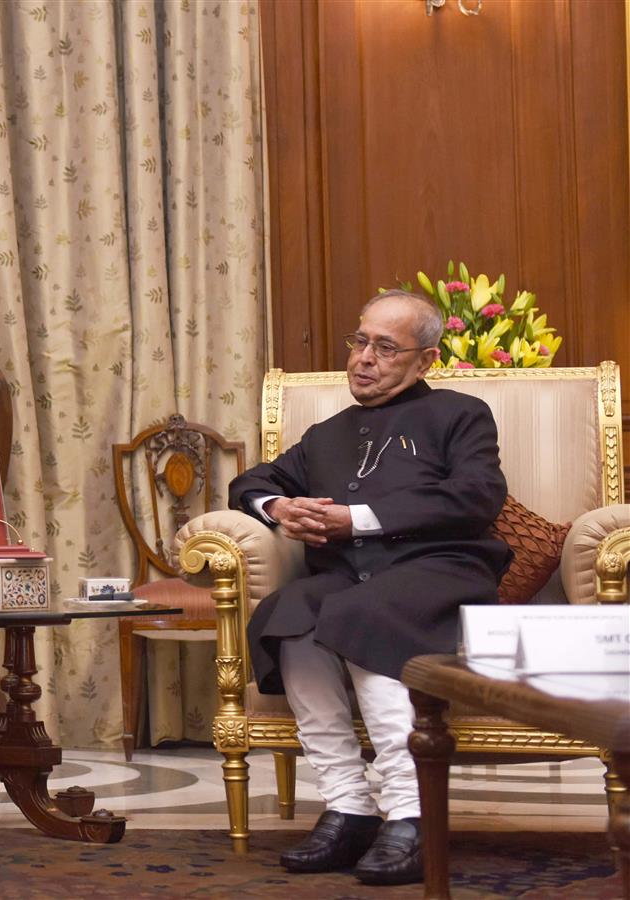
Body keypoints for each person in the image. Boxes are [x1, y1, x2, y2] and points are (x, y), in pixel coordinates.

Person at [227, 290, 510, 886]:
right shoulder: (327, 434)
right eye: (360, 342)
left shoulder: (460, 414)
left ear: (425, 360)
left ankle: (412, 814)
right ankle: (348, 806)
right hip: (347, 581)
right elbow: (252, 481)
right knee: (289, 612)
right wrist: (279, 506)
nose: (364, 359)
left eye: (385, 347)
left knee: (364, 613)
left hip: (440, 571)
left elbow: (477, 496)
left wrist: (354, 519)